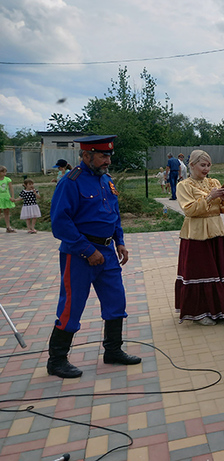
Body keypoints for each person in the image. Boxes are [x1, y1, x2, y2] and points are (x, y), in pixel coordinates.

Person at [47, 135, 141, 378]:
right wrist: (88, 251)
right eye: (102, 155)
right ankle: (57, 360)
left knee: (116, 301)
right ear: (86, 155)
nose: (107, 160)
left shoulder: (106, 180)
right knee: (72, 305)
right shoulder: (71, 182)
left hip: (107, 253)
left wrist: (119, 241)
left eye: (109, 155)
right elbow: (60, 223)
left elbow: (113, 213)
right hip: (79, 255)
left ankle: (113, 351)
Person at [175, 150, 224, 326]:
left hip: (216, 232)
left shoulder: (214, 182)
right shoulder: (184, 185)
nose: (206, 169)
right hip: (196, 235)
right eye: (202, 165)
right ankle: (198, 312)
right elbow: (189, 210)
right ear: (191, 165)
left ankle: (216, 308)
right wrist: (209, 197)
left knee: (216, 271)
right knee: (200, 271)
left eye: (208, 165)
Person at [0, 165, 16, 233]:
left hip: (6, 197)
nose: (4, 173)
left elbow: (11, 188)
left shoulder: (7, 179)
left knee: (6, 212)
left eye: (5, 172)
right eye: (3, 172)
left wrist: (12, 196)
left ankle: (8, 227)